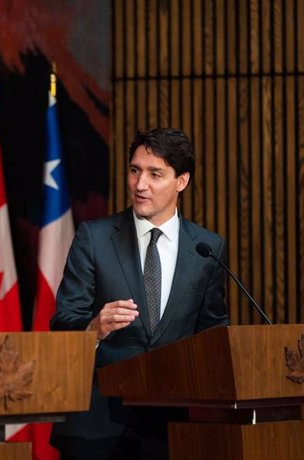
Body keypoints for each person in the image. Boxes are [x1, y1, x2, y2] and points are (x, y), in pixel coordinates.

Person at [50, 128, 230, 460]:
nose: (140, 184)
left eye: (154, 173)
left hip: (168, 429)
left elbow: (213, 334)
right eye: (135, 170)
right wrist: (94, 329)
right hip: (94, 427)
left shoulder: (207, 248)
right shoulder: (95, 237)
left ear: (182, 181)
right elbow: (62, 322)